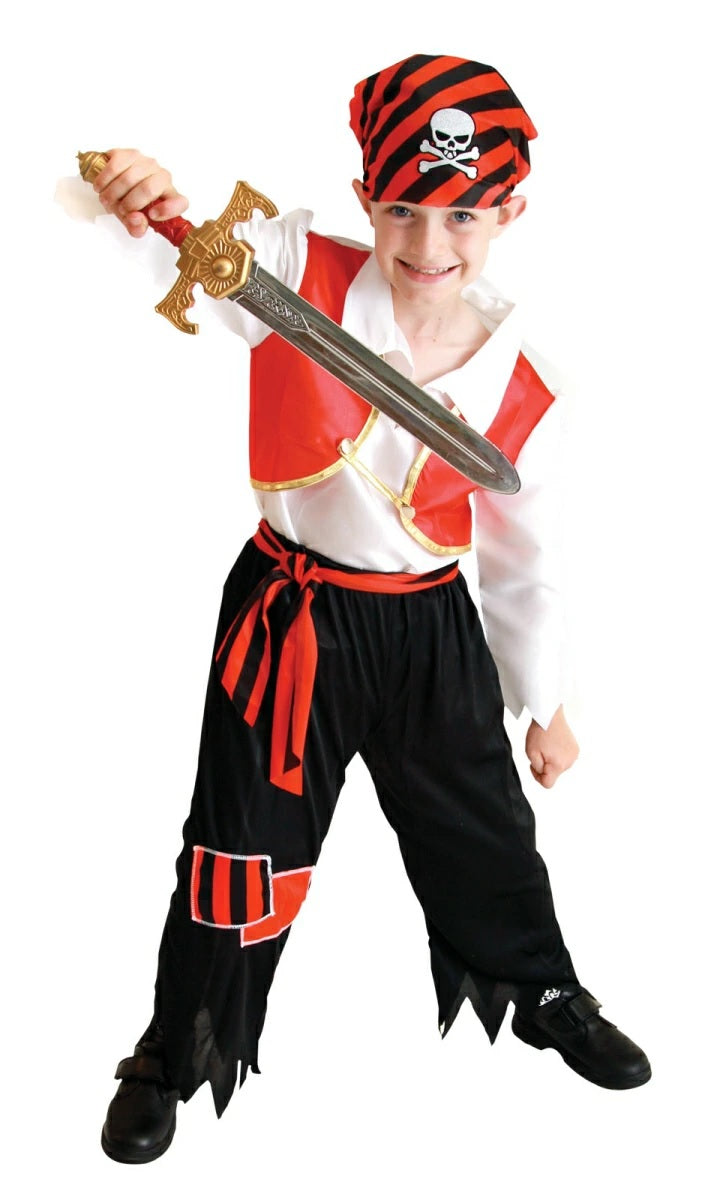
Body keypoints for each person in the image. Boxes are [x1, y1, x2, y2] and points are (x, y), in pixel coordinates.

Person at [94, 54, 650, 1165]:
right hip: (291, 615)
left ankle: (543, 994)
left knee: (484, 829)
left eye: (462, 216)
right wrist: (130, 197)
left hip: (431, 629)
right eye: (401, 209)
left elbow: (526, 558)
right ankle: (177, 1046)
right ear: (365, 198)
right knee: (238, 839)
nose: (428, 244)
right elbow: (178, 267)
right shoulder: (287, 269)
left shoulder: (527, 386)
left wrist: (545, 700)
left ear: (508, 213)